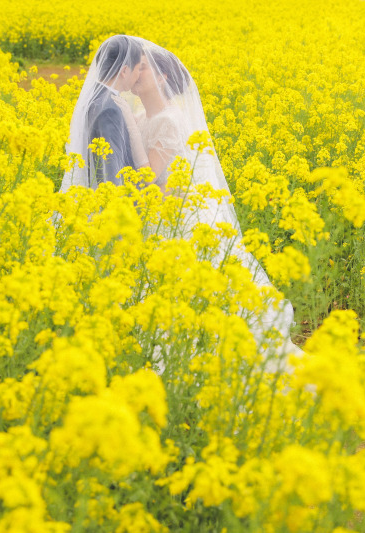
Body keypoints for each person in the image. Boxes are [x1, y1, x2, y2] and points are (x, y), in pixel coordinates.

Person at [62, 36, 303, 372]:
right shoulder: (140, 116)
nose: (136, 72)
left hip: (173, 220)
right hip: (150, 215)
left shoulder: (169, 122)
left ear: (162, 78)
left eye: (144, 67)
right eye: (138, 66)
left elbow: (150, 183)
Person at [60, 35, 148, 190]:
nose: (139, 75)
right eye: (138, 68)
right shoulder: (110, 109)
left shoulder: (94, 96)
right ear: (125, 71)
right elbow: (111, 170)